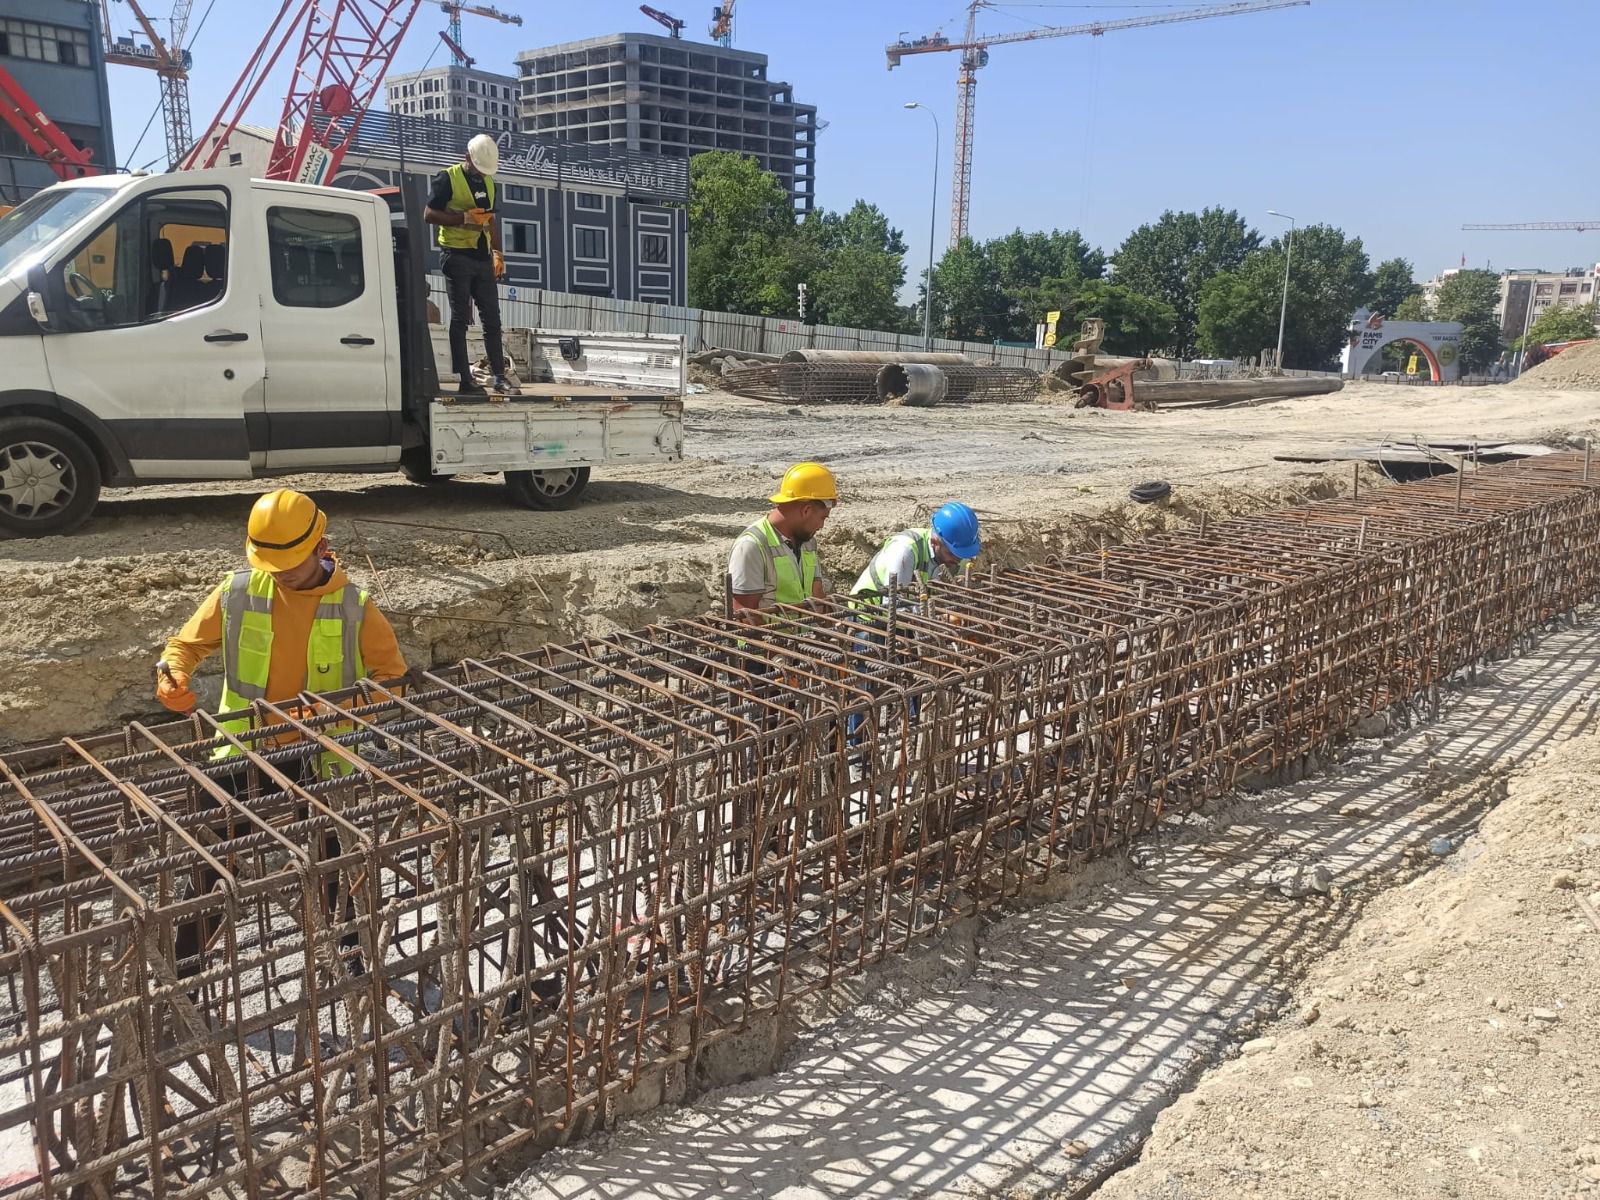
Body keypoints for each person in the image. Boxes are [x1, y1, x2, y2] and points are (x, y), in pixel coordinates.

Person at [156, 489, 408, 974]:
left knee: (338, 868)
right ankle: (181, 982)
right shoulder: (238, 590)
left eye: (291, 562)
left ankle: (351, 967)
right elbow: (183, 646)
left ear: (322, 545)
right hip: (244, 752)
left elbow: (390, 680)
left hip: (322, 756)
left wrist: (335, 717)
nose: (282, 573)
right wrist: (172, 674)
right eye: (273, 564)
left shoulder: (355, 605)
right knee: (210, 868)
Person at [423, 132, 515, 396]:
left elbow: (491, 221)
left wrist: (497, 252)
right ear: (467, 158)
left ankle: (499, 376)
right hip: (456, 254)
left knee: (492, 319)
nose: (480, 174)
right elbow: (428, 214)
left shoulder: (489, 183)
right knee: (461, 317)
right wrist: (462, 218)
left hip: (481, 256)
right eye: (477, 168)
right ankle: (465, 378)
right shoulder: (447, 178)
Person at [727, 462, 837, 627]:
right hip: (766, 649)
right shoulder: (752, 546)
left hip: (803, 644)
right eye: (823, 518)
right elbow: (745, 614)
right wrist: (776, 650)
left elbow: (817, 596)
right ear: (806, 510)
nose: (821, 526)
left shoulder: (807, 542)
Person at [849, 502, 982, 604]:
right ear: (935, 542)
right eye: (953, 553)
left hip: (913, 618)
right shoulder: (905, 551)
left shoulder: (959, 551)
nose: (959, 559)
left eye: (963, 553)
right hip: (867, 616)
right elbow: (892, 604)